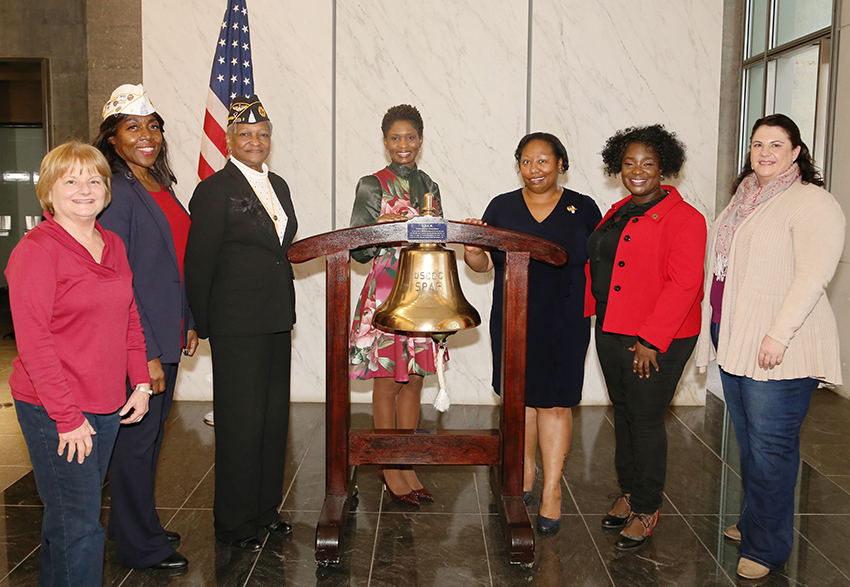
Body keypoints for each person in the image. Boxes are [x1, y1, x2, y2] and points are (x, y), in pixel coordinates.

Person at [696, 114, 844, 580]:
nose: (764, 152)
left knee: (772, 448)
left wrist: (778, 334)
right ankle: (755, 521)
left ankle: (767, 548)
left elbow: (813, 274)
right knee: (750, 442)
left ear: (796, 152)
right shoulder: (743, 200)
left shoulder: (811, 202)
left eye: (776, 145)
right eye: (758, 143)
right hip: (736, 337)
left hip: (779, 345)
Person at [6, 141, 152, 587]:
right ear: (49, 192)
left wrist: (141, 384)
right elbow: (33, 343)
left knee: (69, 517)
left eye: (94, 180)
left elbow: (129, 317)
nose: (84, 189)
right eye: (70, 181)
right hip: (56, 407)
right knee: (83, 524)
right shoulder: (37, 251)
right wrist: (67, 417)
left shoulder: (111, 244)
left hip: (107, 401)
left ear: (107, 191)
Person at [463, 132, 601, 535]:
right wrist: (473, 251)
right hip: (513, 315)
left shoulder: (585, 207)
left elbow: (605, 262)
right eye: (526, 161)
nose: (534, 169)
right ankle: (523, 473)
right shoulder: (502, 206)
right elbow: (483, 266)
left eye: (543, 161)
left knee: (555, 403)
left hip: (566, 316)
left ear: (561, 163)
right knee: (519, 400)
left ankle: (552, 490)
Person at [185, 95, 298, 552]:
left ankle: (264, 510)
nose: (256, 141)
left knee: (273, 422)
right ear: (230, 140)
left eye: (263, 133)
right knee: (239, 424)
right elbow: (199, 263)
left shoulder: (282, 186)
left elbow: (279, 249)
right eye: (246, 134)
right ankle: (234, 523)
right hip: (236, 324)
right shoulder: (214, 190)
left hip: (275, 319)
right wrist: (203, 323)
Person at [93, 84, 197, 570]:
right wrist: (147, 352)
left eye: (153, 125)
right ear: (112, 138)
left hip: (168, 331)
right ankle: (140, 545)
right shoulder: (115, 191)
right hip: (139, 341)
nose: (147, 135)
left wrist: (189, 321)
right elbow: (119, 277)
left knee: (150, 439)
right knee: (135, 444)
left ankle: (133, 523)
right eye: (133, 127)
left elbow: (175, 262)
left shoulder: (159, 184)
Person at [588, 125, 705, 550]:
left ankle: (647, 505)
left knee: (646, 418)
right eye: (629, 163)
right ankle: (629, 491)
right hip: (611, 328)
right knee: (622, 412)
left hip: (657, 338)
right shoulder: (619, 209)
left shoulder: (686, 219)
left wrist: (652, 339)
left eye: (648, 164)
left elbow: (685, 284)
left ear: (664, 169)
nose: (637, 171)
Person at [349, 104, 443, 505]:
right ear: (384, 141)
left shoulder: (430, 185)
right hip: (386, 292)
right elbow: (358, 249)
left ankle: (408, 462)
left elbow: (437, 243)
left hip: (423, 291)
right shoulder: (372, 184)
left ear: (421, 140)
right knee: (387, 382)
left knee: (415, 382)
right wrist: (390, 235)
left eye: (410, 137)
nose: (403, 144)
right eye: (394, 138)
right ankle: (389, 468)